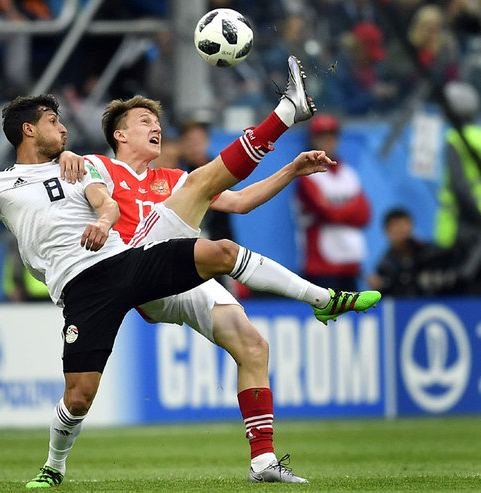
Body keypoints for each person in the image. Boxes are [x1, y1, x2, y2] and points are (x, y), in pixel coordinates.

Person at [0, 89, 381, 489]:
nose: (62, 127)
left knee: (225, 265)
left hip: (129, 261)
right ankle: (53, 467)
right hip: (83, 288)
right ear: (30, 129)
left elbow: (106, 204)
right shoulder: (11, 180)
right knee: (79, 398)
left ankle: (319, 303)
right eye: (54, 121)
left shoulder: (91, 170)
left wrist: (103, 220)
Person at [54, 57, 381, 485]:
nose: (155, 126)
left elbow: (240, 202)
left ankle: (263, 462)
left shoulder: (171, 178)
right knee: (200, 192)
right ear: (119, 134)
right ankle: (286, 113)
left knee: (253, 346)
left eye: (157, 120)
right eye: (143, 120)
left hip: (171, 276)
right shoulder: (100, 166)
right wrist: (68, 154)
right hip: (131, 265)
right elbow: (83, 183)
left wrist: (291, 169)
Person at [295, 113, 371, 292]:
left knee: (352, 316)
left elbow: (365, 214)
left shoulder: (349, 173)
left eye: (331, 136)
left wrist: (337, 210)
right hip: (320, 262)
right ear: (313, 140)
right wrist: (349, 210)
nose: (327, 141)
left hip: (350, 260)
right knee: (325, 317)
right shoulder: (307, 175)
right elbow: (328, 213)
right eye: (321, 137)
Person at [434, 81, 481, 292]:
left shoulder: (454, 138)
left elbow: (459, 186)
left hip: (462, 226)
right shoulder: (478, 136)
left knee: (463, 287)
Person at [368, 208, 459, 296]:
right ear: (386, 232)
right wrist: (379, 287)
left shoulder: (433, 254)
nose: (400, 231)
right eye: (395, 227)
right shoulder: (385, 265)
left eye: (404, 226)